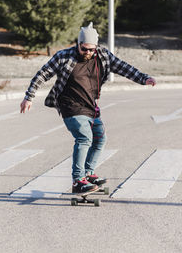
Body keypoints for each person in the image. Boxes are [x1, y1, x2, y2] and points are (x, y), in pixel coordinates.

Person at [20, 22, 156, 194]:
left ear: (96, 47)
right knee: (84, 138)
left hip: (90, 106)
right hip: (69, 105)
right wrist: (29, 97)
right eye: (84, 49)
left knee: (100, 138)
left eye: (91, 49)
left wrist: (144, 79)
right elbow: (43, 74)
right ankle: (78, 180)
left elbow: (124, 68)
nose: (88, 53)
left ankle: (88, 174)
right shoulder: (64, 57)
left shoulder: (103, 56)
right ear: (78, 44)